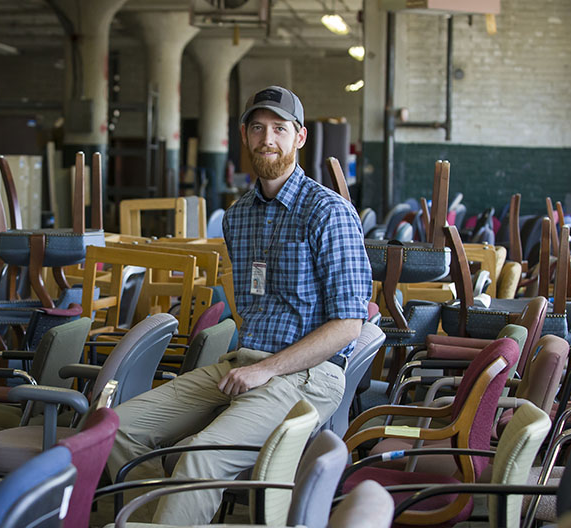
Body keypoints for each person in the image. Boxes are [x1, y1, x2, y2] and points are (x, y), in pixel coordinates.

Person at [106, 85, 372, 525]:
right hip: (243, 363)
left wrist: (267, 369)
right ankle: (160, 518)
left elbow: (348, 325)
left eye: (280, 129)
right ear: (245, 137)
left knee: (198, 458)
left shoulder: (329, 212)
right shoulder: (238, 215)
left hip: (307, 375)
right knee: (115, 428)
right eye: (258, 128)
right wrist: (253, 367)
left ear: (299, 138)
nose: (268, 138)